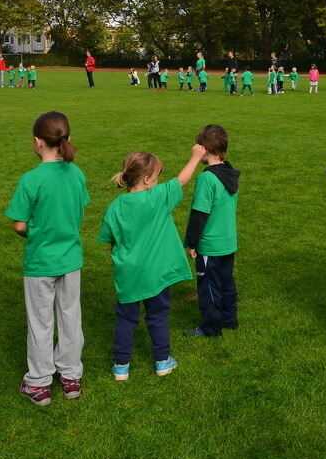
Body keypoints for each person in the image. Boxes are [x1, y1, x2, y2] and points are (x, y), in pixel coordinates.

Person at [99, 147, 207, 380]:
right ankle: (162, 362)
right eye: (156, 178)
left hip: (128, 275)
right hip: (156, 275)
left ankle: (121, 366)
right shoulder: (157, 197)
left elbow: (109, 238)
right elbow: (181, 180)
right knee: (157, 316)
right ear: (147, 179)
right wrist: (196, 157)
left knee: (126, 319)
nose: (158, 182)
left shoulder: (115, 207)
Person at [6, 112, 90, 405]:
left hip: (40, 261)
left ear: (37, 142)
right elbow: (78, 212)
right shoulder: (77, 174)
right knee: (70, 317)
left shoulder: (31, 179)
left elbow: (18, 224)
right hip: (69, 259)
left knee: (40, 322)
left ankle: (39, 384)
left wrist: (36, 230)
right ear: (67, 139)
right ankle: (70, 378)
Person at [183, 125, 241, 337]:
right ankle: (229, 319)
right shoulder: (230, 172)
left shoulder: (207, 179)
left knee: (209, 286)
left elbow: (199, 214)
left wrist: (192, 243)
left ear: (203, 149)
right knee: (226, 282)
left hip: (210, 245)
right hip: (228, 242)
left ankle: (211, 327)